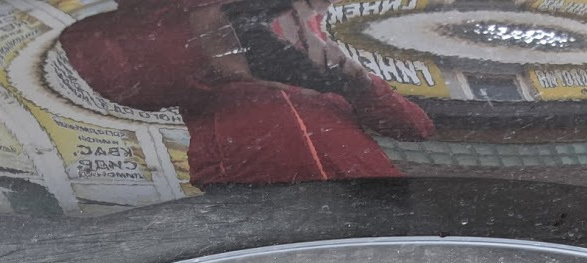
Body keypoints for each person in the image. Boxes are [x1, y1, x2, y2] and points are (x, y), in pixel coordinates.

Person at [59, 0, 434, 186]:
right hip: (256, 192)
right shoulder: (163, 19)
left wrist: (360, 83)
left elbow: (416, 129)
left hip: (369, 192)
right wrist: (222, 32)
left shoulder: (319, 44)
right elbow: (112, 66)